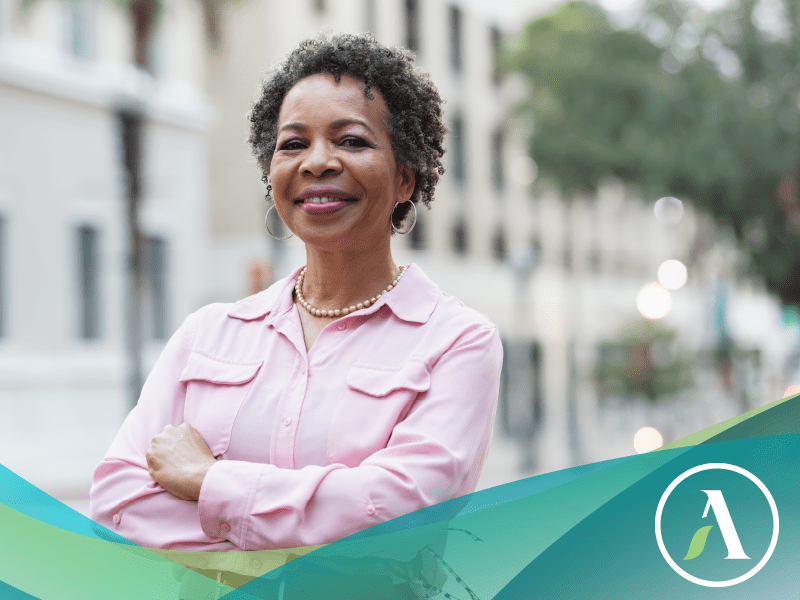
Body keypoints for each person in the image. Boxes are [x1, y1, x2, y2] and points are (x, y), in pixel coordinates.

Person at [90, 33, 502, 558]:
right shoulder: (207, 336)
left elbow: (396, 512)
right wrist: (309, 534)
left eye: (352, 141)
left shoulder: (457, 342)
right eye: (293, 144)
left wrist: (207, 480)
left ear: (405, 177)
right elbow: (117, 506)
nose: (317, 162)